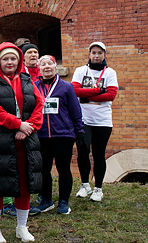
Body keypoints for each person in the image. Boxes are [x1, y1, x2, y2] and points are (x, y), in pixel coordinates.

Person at [0, 43, 44, 243]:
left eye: (13, 59)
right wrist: (17, 125)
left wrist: (28, 128)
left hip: (26, 140)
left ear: (19, 61)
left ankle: (21, 227)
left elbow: (39, 105)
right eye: (5, 59)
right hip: (0, 139)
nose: (9, 62)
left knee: (25, 183)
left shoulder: (27, 80)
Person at [34, 55, 85, 215]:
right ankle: (46, 200)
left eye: (50, 64)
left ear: (55, 67)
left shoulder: (66, 87)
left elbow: (75, 111)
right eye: (43, 65)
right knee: (44, 169)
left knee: (63, 168)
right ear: (39, 68)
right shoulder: (34, 86)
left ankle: (64, 201)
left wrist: (80, 131)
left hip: (63, 135)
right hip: (41, 135)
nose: (47, 67)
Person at [72, 41, 118, 203]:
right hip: (83, 119)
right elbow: (75, 90)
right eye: (94, 53)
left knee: (99, 153)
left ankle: (98, 188)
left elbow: (111, 95)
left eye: (100, 53)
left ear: (104, 55)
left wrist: (86, 96)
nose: (96, 56)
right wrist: (99, 90)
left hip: (103, 120)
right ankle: (85, 185)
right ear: (89, 55)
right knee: (83, 150)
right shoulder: (80, 70)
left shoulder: (110, 73)